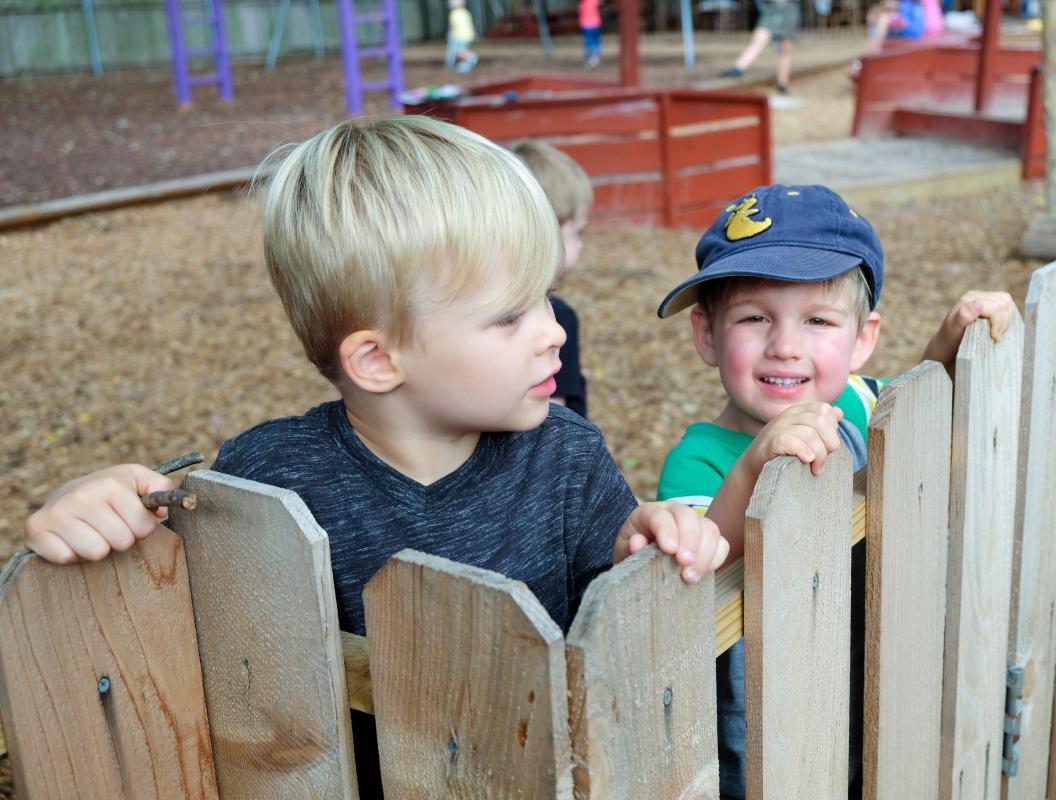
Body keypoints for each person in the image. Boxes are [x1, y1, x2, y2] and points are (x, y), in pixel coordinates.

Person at [24, 116, 729, 794]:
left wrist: (645, 542)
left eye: (547, 298)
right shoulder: (269, 480)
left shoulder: (567, 459)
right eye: (511, 315)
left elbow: (616, 602)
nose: (553, 332)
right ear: (377, 360)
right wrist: (101, 499)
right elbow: (163, 602)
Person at [654, 183, 1016, 799]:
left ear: (862, 338)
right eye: (754, 317)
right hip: (771, 724)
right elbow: (695, 582)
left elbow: (912, 416)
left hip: (875, 676)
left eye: (818, 320)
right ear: (707, 334)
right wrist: (753, 467)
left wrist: (951, 344)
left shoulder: (855, 399)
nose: (785, 345)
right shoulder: (698, 462)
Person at [510, 138, 592, 417]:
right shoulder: (557, 318)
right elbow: (549, 416)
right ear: (547, 232)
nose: (581, 244)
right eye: (578, 232)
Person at [719, 0, 801, 95]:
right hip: (773, 8)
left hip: (790, 8)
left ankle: (783, 84)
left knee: (785, 48)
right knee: (759, 38)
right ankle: (738, 68)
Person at [446, 0, 479, 73]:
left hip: (459, 36)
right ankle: (465, 65)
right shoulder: (466, 12)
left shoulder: (453, 14)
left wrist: (449, 34)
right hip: (468, 35)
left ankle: (472, 57)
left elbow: (453, 26)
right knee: (462, 50)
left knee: (458, 52)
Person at [579, 0, 602, 68]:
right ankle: (595, 56)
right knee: (595, 41)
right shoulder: (593, 1)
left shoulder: (582, 3)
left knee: (589, 42)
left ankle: (591, 57)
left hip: (587, 25)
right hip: (595, 24)